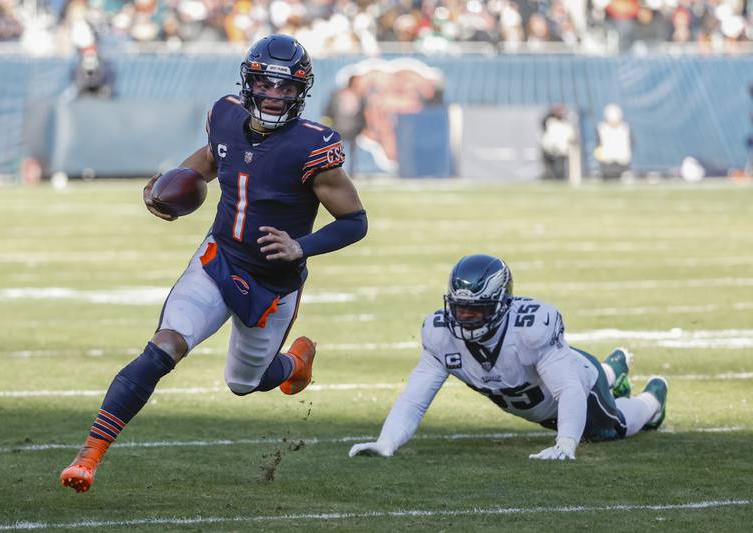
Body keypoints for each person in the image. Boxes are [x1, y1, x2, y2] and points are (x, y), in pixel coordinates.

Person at [60, 34, 368, 492]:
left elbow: (355, 221)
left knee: (244, 383)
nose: (275, 96)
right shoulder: (224, 115)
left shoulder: (312, 147)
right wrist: (166, 187)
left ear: (301, 91)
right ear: (249, 82)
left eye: (287, 89)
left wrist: (302, 247)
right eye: (267, 84)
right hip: (218, 260)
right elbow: (208, 160)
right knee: (164, 347)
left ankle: (295, 364)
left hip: (271, 283)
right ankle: (89, 456)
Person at [349, 254, 667, 461]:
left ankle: (653, 398)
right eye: (460, 309)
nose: (467, 318)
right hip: (542, 397)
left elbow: (569, 390)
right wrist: (385, 442)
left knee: (613, 428)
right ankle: (615, 367)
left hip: (578, 384)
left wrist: (566, 443)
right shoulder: (441, 335)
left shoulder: (530, 330)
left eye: (477, 310)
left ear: (502, 303)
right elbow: (414, 399)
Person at [595, 103, 633, 179]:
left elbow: (631, 143)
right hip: (607, 163)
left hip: (623, 163)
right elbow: (599, 145)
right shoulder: (602, 128)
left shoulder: (624, 128)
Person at [540, 105, 576, 181]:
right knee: (549, 169)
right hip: (549, 150)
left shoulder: (566, 124)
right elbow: (544, 122)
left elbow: (571, 137)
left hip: (561, 151)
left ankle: (559, 180)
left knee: (559, 170)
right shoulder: (550, 122)